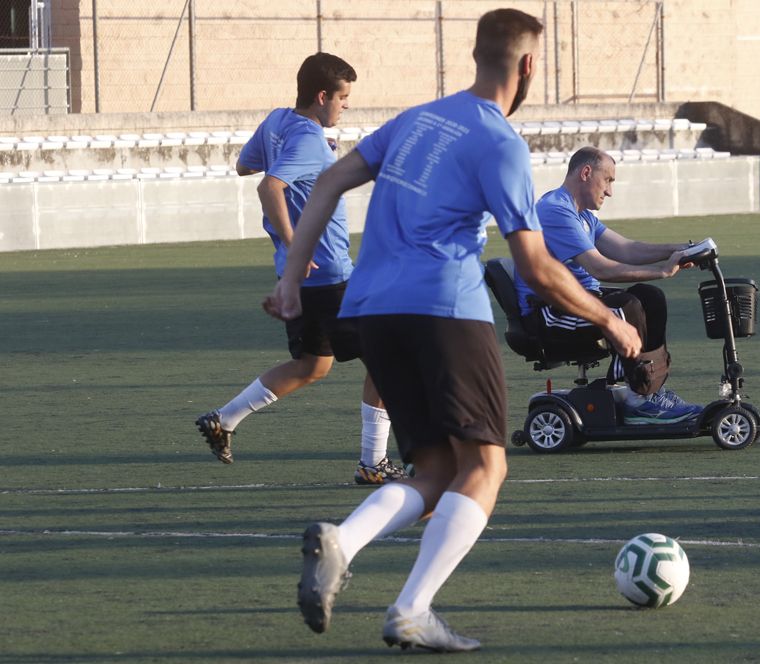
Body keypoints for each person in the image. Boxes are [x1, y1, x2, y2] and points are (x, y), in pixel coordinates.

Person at [263, 9, 641, 653]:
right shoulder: (498, 142)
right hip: (444, 311)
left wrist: (291, 280)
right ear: (528, 68)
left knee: (437, 465)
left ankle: (343, 543)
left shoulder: (415, 120)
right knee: (487, 466)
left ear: (474, 54)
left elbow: (327, 182)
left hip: (373, 309)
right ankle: (411, 607)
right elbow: (535, 264)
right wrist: (608, 318)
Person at [195, 52, 407, 486]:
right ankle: (372, 463)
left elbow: (243, 164)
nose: (346, 106)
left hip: (303, 279)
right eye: (343, 97)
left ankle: (224, 418)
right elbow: (268, 186)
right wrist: (297, 244)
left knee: (313, 366)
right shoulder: (309, 140)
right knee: (390, 360)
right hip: (328, 273)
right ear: (321, 95)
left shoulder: (277, 121)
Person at [513, 146, 704, 423]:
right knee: (626, 306)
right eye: (608, 180)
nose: (610, 191)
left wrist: (683, 249)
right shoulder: (555, 210)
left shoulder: (583, 216)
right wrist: (661, 270)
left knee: (650, 297)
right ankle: (632, 396)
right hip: (547, 312)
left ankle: (650, 392)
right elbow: (600, 267)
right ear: (586, 173)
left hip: (578, 301)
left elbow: (627, 250)